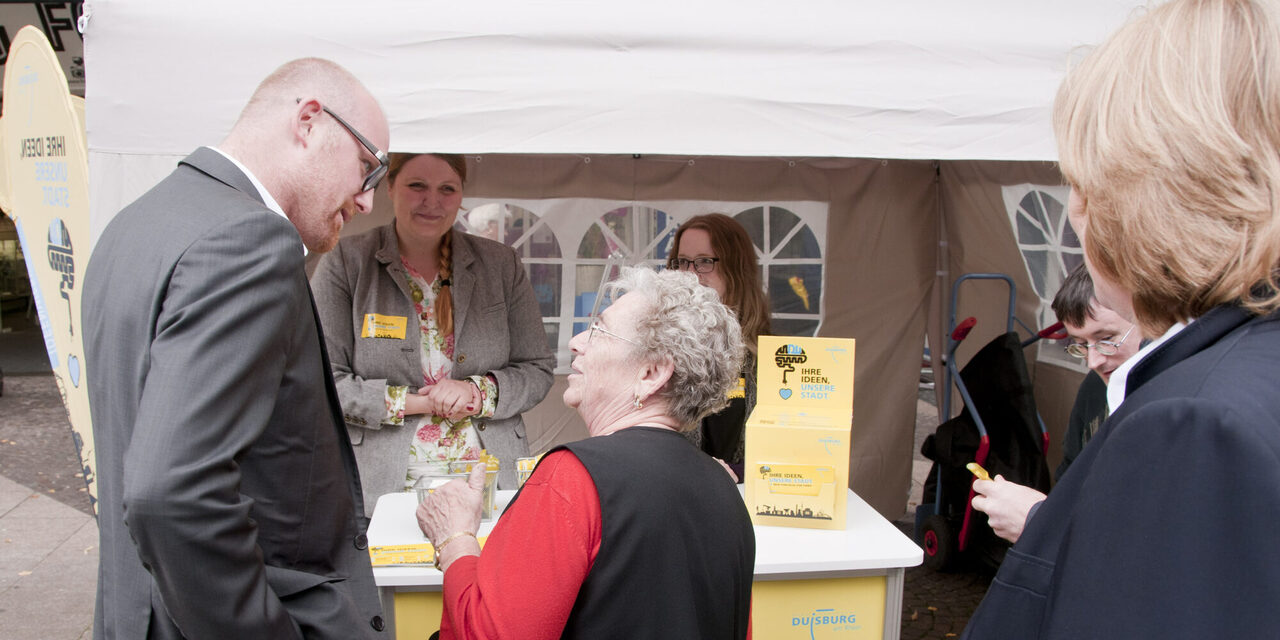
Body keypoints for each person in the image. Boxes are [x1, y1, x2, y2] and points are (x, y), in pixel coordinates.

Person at [963, 1, 1280, 637]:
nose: (1077, 214)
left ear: (1134, 198)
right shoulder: (1249, 369)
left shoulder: (1191, 425)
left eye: (1082, 184)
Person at [82, 58, 388, 639]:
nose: (368, 200)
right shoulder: (249, 237)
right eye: (368, 168)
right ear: (309, 122)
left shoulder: (136, 223)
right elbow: (170, 495)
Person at [417, 267, 755, 639]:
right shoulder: (725, 490)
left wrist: (454, 539)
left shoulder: (574, 479)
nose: (577, 342)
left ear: (651, 373)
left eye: (599, 330)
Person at [311, 153, 553, 513]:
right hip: (383, 487)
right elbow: (322, 380)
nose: (432, 202)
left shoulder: (500, 264)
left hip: (489, 482)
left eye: (447, 189)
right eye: (417, 186)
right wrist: (420, 403)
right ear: (390, 187)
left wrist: (475, 392)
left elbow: (537, 369)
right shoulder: (346, 262)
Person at [970, 263, 1138, 542]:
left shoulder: (1179, 405)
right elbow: (1070, 478)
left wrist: (1037, 520)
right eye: (1080, 345)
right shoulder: (1094, 388)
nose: (1093, 361)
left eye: (1107, 339)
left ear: (1151, 320)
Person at [667, 213, 771, 480]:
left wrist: (735, 473)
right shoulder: (658, 349)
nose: (690, 274)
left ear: (736, 269)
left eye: (704, 262)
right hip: (677, 496)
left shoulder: (768, 358)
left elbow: (781, 452)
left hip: (744, 500)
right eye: (682, 262)